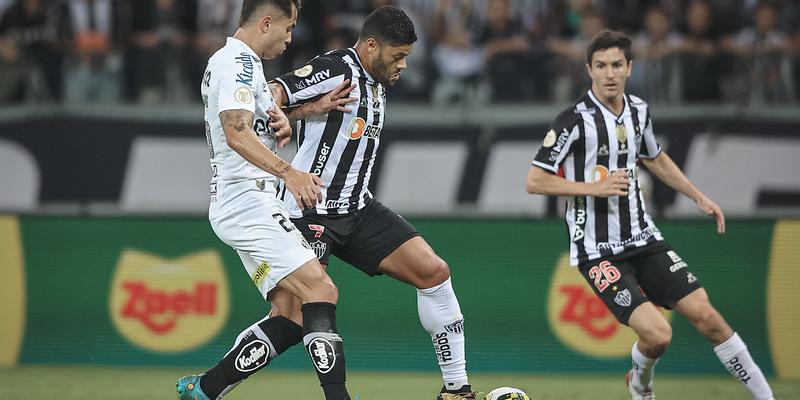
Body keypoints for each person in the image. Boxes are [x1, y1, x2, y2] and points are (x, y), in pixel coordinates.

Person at [525, 29, 775, 400]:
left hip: (644, 238)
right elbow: (535, 181)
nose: (608, 73)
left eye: (616, 65)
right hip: (598, 251)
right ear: (588, 70)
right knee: (659, 335)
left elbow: (654, 157)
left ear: (629, 67)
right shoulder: (573, 121)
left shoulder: (639, 111)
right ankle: (641, 386)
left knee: (709, 319)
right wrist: (594, 188)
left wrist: (698, 197)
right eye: (600, 66)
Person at [269, 6, 476, 400]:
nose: (403, 66)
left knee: (433, 271)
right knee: (290, 318)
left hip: (358, 209)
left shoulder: (377, 82)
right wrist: (298, 112)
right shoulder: (336, 68)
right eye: (397, 57)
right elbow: (272, 93)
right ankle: (211, 385)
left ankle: (456, 389)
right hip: (309, 211)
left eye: (407, 57)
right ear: (370, 45)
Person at [176, 1, 353, 399]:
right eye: (288, 29)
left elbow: (254, 126)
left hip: (248, 203)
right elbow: (236, 132)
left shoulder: (247, 66)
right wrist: (289, 172)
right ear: (267, 22)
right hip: (249, 202)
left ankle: (204, 390)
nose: (290, 39)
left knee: (292, 315)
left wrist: (306, 110)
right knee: (321, 291)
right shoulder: (234, 62)